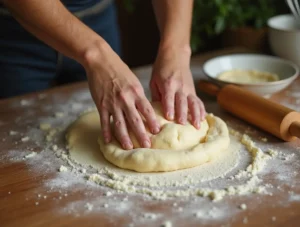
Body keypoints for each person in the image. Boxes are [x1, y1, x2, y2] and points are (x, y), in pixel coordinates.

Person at [0, 0, 206, 150]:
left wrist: (176, 49)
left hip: (98, 16)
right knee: (18, 143)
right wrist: (97, 55)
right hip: (14, 32)